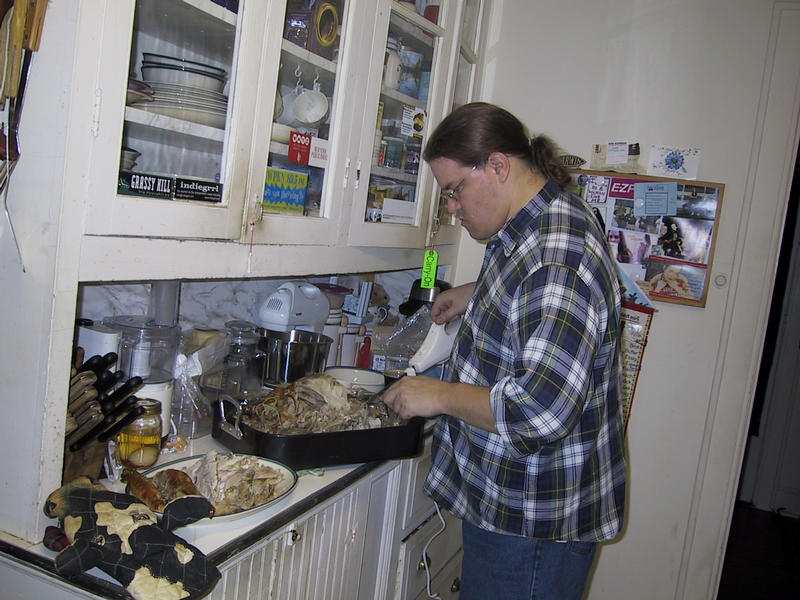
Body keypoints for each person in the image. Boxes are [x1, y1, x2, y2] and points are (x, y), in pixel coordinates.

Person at [382, 103, 626, 600]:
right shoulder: (534, 220)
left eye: (453, 190)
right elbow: (529, 286)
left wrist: (438, 395)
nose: (451, 206)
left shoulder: (560, 257)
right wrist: (474, 292)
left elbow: (536, 412)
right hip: (515, 510)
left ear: (498, 166)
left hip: (534, 526)